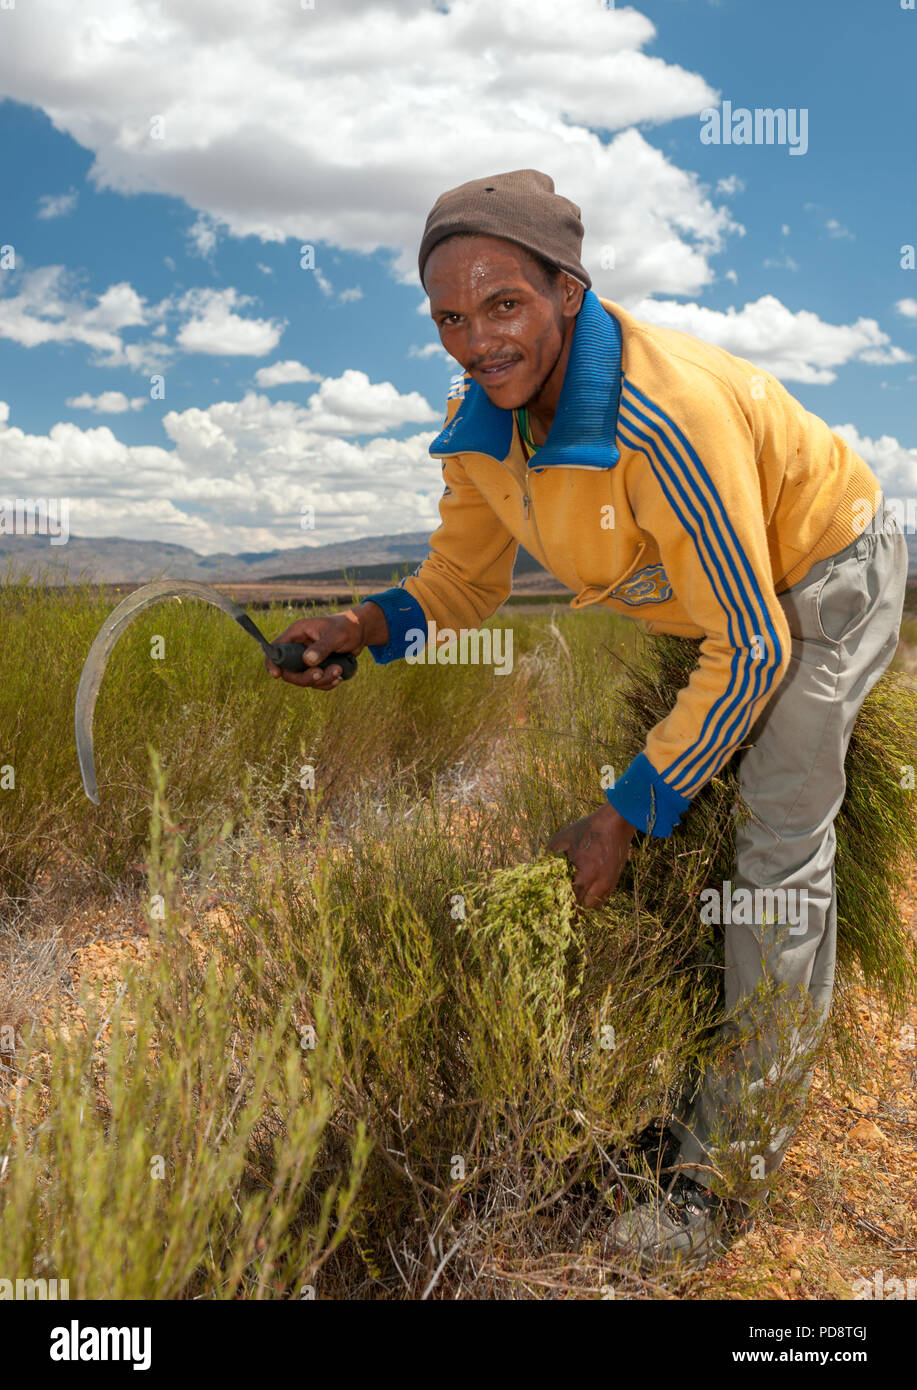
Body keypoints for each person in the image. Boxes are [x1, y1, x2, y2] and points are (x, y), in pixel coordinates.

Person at [266, 169, 909, 1269]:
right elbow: (461, 583)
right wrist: (361, 623)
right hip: (721, 605)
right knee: (681, 837)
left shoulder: (665, 418)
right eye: (450, 321)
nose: (477, 342)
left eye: (501, 305)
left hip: (819, 583)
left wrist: (619, 811)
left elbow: (753, 646)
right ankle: (681, 1075)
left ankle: (725, 1179)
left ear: (567, 291)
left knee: (768, 847)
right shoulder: (481, 422)